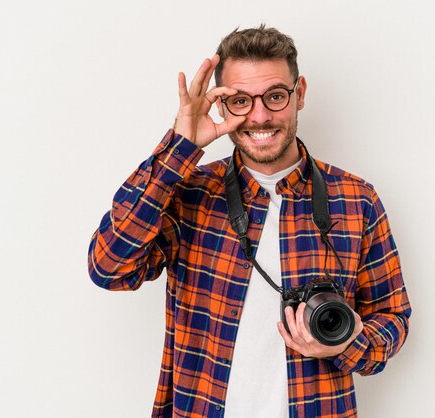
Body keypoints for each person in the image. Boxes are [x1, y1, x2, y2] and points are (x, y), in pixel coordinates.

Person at [88, 25, 411, 418]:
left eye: (275, 96)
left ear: (300, 94)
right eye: (241, 100)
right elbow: (109, 268)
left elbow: (392, 317)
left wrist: (348, 344)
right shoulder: (191, 193)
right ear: (221, 106)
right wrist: (180, 147)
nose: (260, 116)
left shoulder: (355, 199)